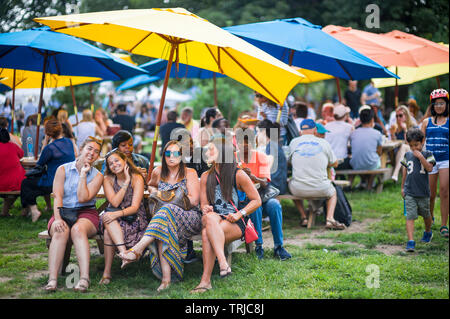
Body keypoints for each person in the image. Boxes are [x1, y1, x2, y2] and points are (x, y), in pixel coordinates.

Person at [117, 141, 202, 292]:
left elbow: (194, 200)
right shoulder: (158, 171)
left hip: (189, 217)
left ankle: (136, 250)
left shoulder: (190, 173)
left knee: (166, 211)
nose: (171, 157)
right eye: (168, 153)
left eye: (176, 153)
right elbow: (150, 185)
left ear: (181, 156)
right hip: (165, 220)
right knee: (163, 222)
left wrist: (169, 198)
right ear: (163, 156)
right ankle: (166, 279)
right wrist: (153, 190)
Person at [191, 138, 261, 293]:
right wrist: (205, 208)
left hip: (234, 221)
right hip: (213, 218)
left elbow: (257, 200)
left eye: (211, 150)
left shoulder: (238, 174)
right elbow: (203, 204)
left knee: (206, 234)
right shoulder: (205, 177)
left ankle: (205, 281)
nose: (207, 152)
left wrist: (239, 214)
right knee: (209, 218)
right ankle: (223, 263)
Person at [44, 136, 104, 292]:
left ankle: (84, 278)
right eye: (89, 148)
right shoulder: (63, 169)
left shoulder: (98, 176)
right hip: (62, 210)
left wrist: (83, 174)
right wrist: (57, 219)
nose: (92, 153)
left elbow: (83, 198)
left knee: (78, 230)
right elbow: (58, 196)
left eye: (96, 151)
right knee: (60, 230)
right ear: (81, 148)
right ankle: (52, 280)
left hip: (86, 212)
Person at [98, 149, 149, 285]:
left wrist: (117, 213)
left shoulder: (137, 177)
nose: (114, 165)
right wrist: (125, 182)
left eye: (117, 161)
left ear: (125, 161)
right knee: (107, 217)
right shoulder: (108, 179)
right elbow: (114, 202)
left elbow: (135, 207)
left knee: (108, 231)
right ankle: (124, 254)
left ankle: (107, 273)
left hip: (134, 218)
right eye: (110, 163)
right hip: (115, 218)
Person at [288, 119, 345, 230]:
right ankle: (330, 219)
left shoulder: (293, 142)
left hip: (298, 189)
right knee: (333, 192)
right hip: (321, 188)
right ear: (315, 130)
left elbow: (289, 161)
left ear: (301, 131)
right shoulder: (324, 143)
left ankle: (303, 216)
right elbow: (335, 163)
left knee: (289, 182)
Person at [249, 120, 291, 260]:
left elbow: (267, 173)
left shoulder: (270, 148)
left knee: (274, 205)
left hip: (269, 190)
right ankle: (258, 245)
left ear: (263, 132)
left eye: (257, 131)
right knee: (255, 206)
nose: (256, 135)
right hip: (257, 193)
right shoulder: (261, 149)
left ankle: (279, 247)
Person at [20, 120, 76, 222]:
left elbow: (39, 163)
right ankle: (31, 209)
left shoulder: (50, 148)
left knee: (26, 183)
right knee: (38, 179)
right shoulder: (69, 142)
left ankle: (33, 210)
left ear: (48, 133)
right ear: (60, 130)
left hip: (54, 183)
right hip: (69, 180)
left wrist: (45, 141)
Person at [401, 128, 436, 252]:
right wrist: (402, 186)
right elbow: (405, 170)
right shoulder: (408, 155)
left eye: (416, 145)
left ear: (423, 141)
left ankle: (428, 231)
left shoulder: (428, 154)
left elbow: (430, 168)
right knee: (410, 216)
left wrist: (421, 157)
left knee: (426, 215)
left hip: (423, 193)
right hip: (410, 192)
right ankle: (411, 241)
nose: (414, 148)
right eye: (411, 146)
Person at [421, 89, 449, 238]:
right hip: (431, 161)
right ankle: (430, 218)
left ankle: (444, 225)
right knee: (430, 194)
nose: (439, 106)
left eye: (442, 103)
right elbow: (420, 143)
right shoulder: (426, 122)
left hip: (446, 159)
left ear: (446, 104)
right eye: (436, 104)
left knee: (444, 191)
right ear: (432, 105)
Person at [349, 106, 383, 191]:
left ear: (360, 120)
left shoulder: (353, 133)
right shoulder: (377, 133)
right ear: (372, 120)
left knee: (362, 158)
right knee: (375, 160)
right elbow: (379, 151)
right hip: (371, 164)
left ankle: (363, 181)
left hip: (355, 165)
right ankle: (370, 184)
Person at [0, 126, 25, 217]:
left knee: (9, 192)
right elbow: (21, 154)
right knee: (13, 192)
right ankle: (5, 212)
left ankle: (4, 212)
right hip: (16, 183)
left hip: (2, 183)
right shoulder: (13, 146)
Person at [390, 105, 417, 182]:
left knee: (403, 147)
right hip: (400, 153)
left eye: (400, 115)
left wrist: (405, 130)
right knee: (402, 150)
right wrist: (392, 134)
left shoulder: (413, 126)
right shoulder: (397, 128)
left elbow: (411, 144)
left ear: (406, 115)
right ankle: (404, 180)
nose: (398, 118)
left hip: (412, 150)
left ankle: (395, 174)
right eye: (397, 116)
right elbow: (394, 143)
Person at [325, 104, 354, 170]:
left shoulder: (327, 126)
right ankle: (349, 180)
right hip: (342, 162)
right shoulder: (349, 127)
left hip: (329, 161)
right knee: (353, 161)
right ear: (345, 115)